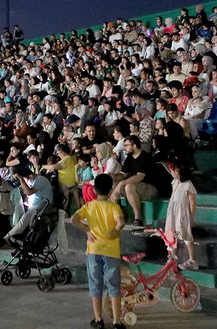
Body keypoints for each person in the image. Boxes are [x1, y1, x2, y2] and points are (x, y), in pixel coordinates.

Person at [71, 174, 126, 329]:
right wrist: (116, 231)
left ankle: (98, 320)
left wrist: (87, 230)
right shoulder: (114, 207)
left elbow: (73, 219)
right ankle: (117, 321)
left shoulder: (89, 206)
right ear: (111, 191)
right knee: (113, 286)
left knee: (95, 284)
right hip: (112, 251)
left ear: (94, 190)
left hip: (94, 250)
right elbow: (121, 222)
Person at [110, 136, 170, 227]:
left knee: (129, 186)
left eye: (126, 145)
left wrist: (122, 183)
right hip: (138, 187)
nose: (124, 148)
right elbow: (123, 174)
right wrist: (112, 176)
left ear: (134, 146)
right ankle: (120, 216)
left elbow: (140, 177)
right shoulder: (129, 158)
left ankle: (138, 218)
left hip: (152, 188)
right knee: (113, 186)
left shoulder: (145, 157)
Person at [163, 161, 198, 270]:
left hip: (182, 213)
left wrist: (191, 218)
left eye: (174, 171)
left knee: (185, 233)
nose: (172, 172)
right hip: (172, 211)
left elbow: (192, 203)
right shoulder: (174, 182)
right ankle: (172, 257)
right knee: (170, 232)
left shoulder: (188, 185)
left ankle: (192, 260)